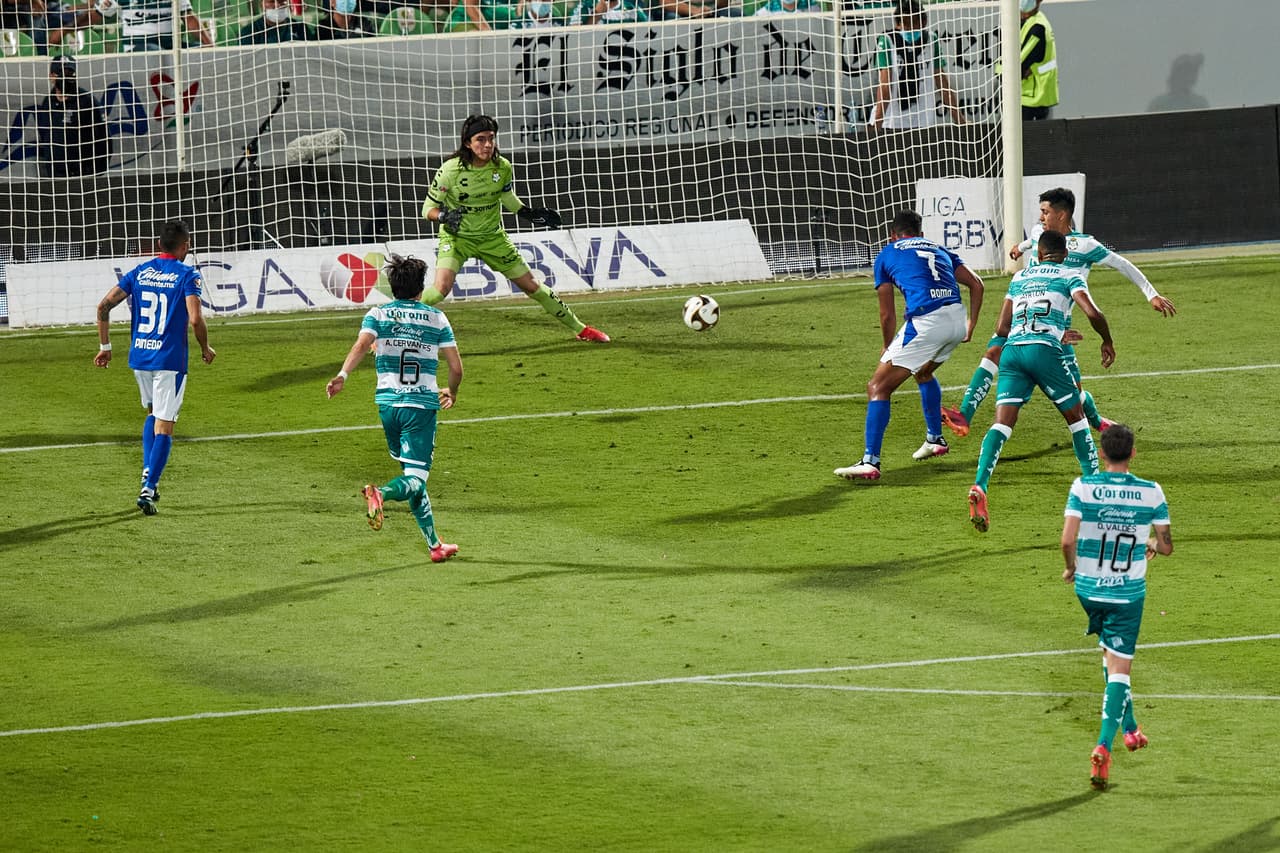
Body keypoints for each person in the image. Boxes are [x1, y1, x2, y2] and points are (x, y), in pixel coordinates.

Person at [942, 187, 1175, 438]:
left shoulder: (1085, 245)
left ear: (1062, 215)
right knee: (993, 349)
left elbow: (1121, 264)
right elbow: (1032, 240)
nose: (1041, 217)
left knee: (1074, 390)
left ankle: (1095, 420)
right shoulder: (1038, 233)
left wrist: (1151, 293)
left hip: (1055, 327)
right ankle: (965, 413)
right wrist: (1019, 248)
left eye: (1045, 212)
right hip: (1023, 318)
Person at [966, 228, 1112, 533]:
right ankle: (1096, 493)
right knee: (1077, 419)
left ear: (1040, 254)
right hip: (1044, 351)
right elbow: (1092, 312)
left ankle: (980, 485)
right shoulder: (1070, 274)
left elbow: (1002, 326)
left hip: (1012, 353)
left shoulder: (1019, 278)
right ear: (1065, 255)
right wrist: (1106, 340)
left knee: (1002, 424)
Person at [421, 114, 610, 343]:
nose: (488, 144)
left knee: (533, 287)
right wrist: (442, 216)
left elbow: (506, 196)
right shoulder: (451, 170)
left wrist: (527, 212)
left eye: (491, 138)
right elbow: (427, 208)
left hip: (493, 238)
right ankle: (386, 327)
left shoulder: (502, 167)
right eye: (480, 139)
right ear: (467, 143)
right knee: (440, 288)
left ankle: (582, 329)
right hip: (458, 238)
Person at [326, 254, 463, 564]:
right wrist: (451, 390)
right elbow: (456, 367)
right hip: (420, 406)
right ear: (421, 287)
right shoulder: (436, 318)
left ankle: (434, 545)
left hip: (387, 405)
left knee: (411, 474)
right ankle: (381, 494)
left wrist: (342, 375)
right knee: (416, 479)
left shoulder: (378, 313)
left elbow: (362, 345)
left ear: (393, 287)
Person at [1061, 422, 1173, 790]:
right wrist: (1153, 547)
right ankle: (1103, 746)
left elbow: (1067, 539)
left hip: (1088, 589)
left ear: (1103, 453)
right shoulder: (1151, 491)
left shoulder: (1084, 486)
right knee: (1120, 665)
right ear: (1133, 453)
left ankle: (1130, 728)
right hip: (1127, 594)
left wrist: (1071, 567)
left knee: (1109, 652)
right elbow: (1166, 544)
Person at [834, 210, 983, 481]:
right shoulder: (939, 248)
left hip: (927, 321)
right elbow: (977, 284)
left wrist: (887, 344)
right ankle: (935, 440)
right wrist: (970, 325)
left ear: (893, 235)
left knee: (878, 387)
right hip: (956, 321)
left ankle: (870, 461)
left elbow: (887, 314)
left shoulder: (888, 253)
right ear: (921, 234)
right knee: (924, 372)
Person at [93, 219, 216, 515]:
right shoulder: (187, 275)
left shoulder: (140, 271)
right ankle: (148, 488)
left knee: (152, 413)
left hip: (140, 357)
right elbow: (196, 319)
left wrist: (105, 347)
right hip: (169, 361)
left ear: (160, 245)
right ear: (185, 246)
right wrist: (204, 347)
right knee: (166, 425)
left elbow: (103, 307)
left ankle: (148, 475)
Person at [869, 0, 965, 131]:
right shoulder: (887, 41)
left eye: (915, 23)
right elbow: (885, 86)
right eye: (906, 24)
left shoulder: (932, 40)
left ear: (924, 22)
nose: (911, 28)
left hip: (923, 122)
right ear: (898, 25)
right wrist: (877, 124)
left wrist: (960, 120)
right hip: (892, 122)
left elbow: (942, 83)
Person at [36, 56, 110, 179]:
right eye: (62, 73)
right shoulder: (47, 102)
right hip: (55, 178)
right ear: (52, 76)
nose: (67, 77)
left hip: (83, 177)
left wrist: (94, 173)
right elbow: (45, 136)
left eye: (70, 73)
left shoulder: (86, 101)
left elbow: (104, 139)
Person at [83, 0, 213, 51]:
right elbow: (95, 16)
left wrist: (211, 46)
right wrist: (67, 29)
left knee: (202, 50)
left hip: (171, 47)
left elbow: (189, 18)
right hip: (137, 49)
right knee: (155, 50)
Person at [1018, 0, 1057, 120]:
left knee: (1031, 136)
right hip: (1027, 95)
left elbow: (1019, 66)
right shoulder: (1020, 22)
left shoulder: (1037, 27)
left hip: (1032, 97)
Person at [238, 0, 313, 43]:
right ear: (262, 5)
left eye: (281, 1)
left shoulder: (300, 28)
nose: (277, 5)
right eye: (271, 1)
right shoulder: (249, 32)